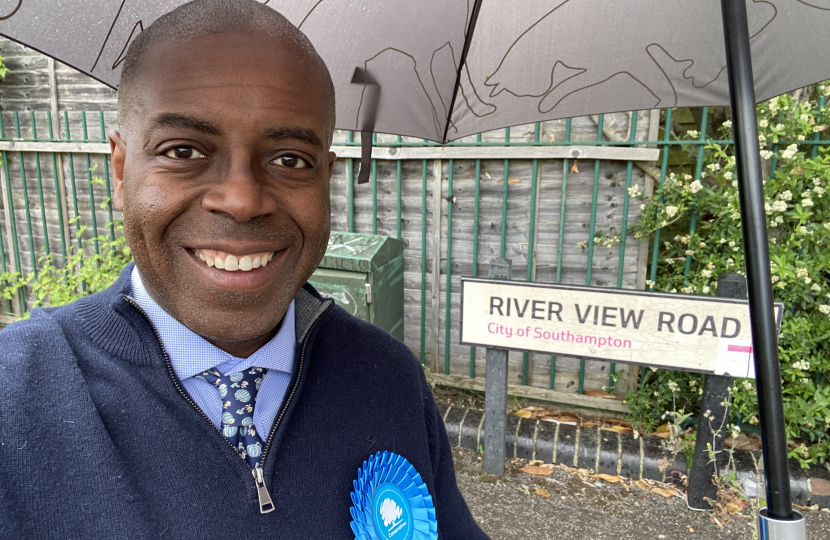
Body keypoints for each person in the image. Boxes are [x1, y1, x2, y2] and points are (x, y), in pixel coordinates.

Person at [0, 1, 489, 538]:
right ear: (121, 170)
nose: (241, 199)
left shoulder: (389, 378)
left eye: (289, 160)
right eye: (183, 150)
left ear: (326, 176)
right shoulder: (15, 398)